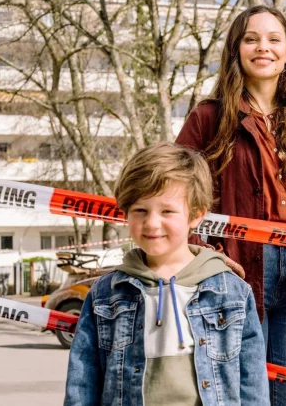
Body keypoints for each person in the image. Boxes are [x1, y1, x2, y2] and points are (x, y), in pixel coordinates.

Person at [175, 5, 286, 405]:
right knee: (241, 398)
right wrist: (206, 253)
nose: (262, 47)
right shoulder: (208, 118)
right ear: (236, 50)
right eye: (251, 39)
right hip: (235, 270)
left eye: (273, 39)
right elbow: (178, 192)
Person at [64, 142, 269, 406]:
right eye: (140, 210)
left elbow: (252, 384)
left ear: (195, 215)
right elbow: (83, 380)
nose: (151, 223)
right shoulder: (105, 294)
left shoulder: (233, 293)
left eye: (167, 211)